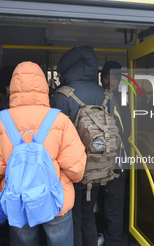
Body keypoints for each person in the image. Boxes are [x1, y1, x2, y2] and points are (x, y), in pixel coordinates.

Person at [0, 61, 87, 246]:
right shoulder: (59, 120)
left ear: (12, 87)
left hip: (18, 201)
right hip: (55, 200)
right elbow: (77, 170)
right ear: (43, 87)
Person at [50, 46, 107, 246]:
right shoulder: (105, 94)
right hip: (100, 167)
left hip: (72, 170)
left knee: (72, 218)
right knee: (88, 215)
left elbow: (54, 138)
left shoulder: (62, 96)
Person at [98, 61, 130, 246]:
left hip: (117, 162)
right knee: (104, 205)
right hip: (99, 162)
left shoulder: (126, 100)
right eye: (106, 77)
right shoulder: (99, 97)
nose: (110, 81)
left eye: (114, 78)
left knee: (113, 208)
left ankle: (112, 241)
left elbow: (126, 133)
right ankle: (105, 236)